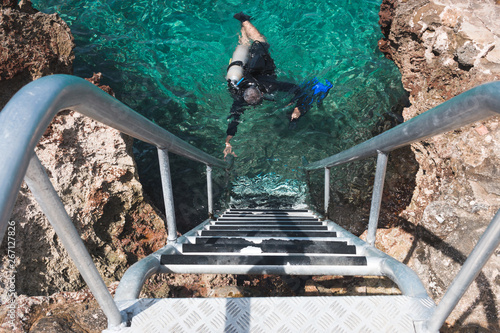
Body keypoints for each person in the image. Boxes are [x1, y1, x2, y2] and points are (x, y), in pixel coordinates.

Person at [223, 12, 306, 158]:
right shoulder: (269, 87)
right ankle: (244, 22)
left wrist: (228, 142)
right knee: (253, 43)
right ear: (261, 94)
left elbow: (234, 120)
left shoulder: (239, 99)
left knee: (258, 42)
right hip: (251, 67)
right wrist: (297, 107)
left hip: (255, 66)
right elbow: (298, 90)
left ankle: (244, 21)